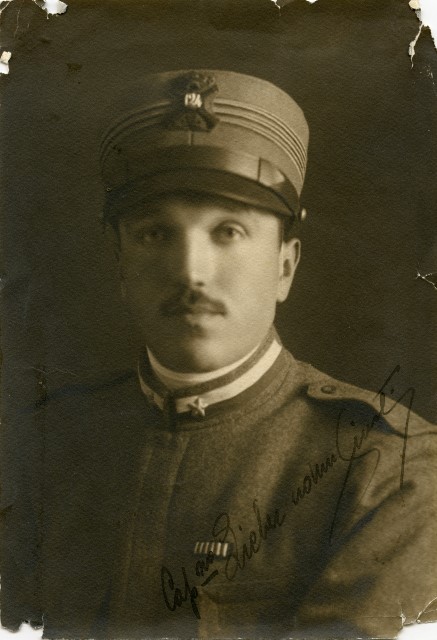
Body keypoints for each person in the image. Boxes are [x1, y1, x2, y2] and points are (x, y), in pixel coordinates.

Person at [12, 70, 437, 639]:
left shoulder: (388, 469)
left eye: (228, 232)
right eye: (155, 234)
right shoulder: (41, 446)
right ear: (119, 264)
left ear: (284, 265)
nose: (191, 273)